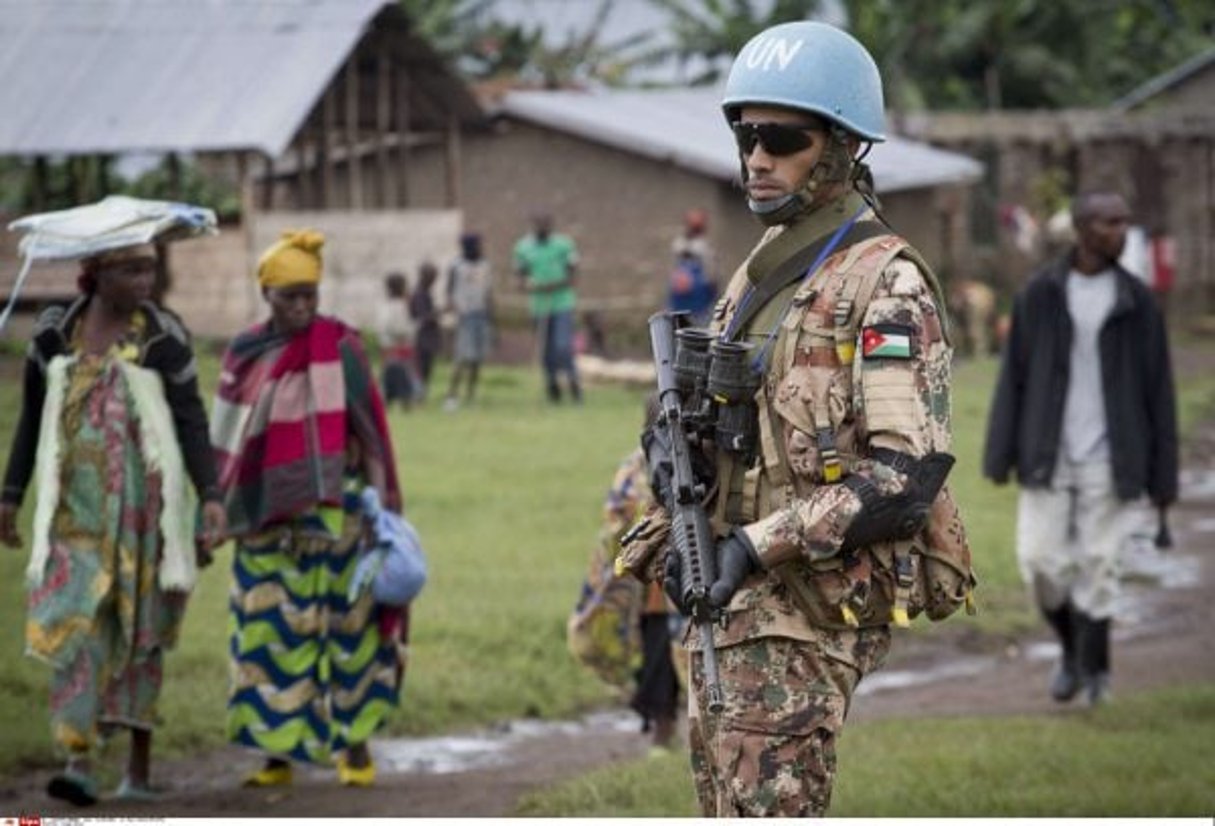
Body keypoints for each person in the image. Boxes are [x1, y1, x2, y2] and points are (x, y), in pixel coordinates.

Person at [633, 22, 967, 816]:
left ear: (842, 147)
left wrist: (749, 548)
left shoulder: (885, 283)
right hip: (731, 604)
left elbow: (902, 477)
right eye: (746, 134)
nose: (756, 158)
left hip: (805, 608)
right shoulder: (757, 272)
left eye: (780, 137)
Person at [0, 200, 224, 806]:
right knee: (75, 628)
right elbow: (30, 422)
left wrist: (211, 498)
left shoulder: (162, 338)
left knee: (140, 634)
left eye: (149, 270)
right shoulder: (53, 336)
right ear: (95, 272)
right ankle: (77, 758)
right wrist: (10, 495)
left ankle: (138, 767)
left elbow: (190, 421)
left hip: (147, 519)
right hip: (74, 516)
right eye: (130, 271)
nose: (143, 283)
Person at [210, 230, 406, 788]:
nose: (301, 307)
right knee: (267, 636)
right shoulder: (245, 352)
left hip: (338, 518)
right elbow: (228, 439)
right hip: (266, 526)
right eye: (288, 297)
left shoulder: (341, 346)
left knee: (352, 635)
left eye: (309, 296)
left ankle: (356, 749)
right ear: (266, 295)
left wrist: (379, 513)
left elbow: (369, 432)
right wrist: (217, 509)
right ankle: (276, 757)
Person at [983, 191, 1178, 707]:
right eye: (1111, 222)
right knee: (1040, 563)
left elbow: (1159, 392)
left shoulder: (1137, 302)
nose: (1121, 231)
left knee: (1099, 564)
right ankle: (1074, 651)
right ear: (1083, 228)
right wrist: (999, 452)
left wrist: (1163, 480)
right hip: (1047, 451)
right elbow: (1014, 377)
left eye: (1125, 222)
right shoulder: (1040, 293)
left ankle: (1096, 674)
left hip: (1113, 457)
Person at [513, 212, 582, 403]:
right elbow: (519, 278)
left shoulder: (564, 245)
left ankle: (574, 385)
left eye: (546, 225)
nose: (542, 228)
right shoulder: (523, 248)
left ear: (551, 226)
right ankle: (553, 390)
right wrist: (530, 285)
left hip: (562, 303)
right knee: (546, 350)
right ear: (533, 225)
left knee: (562, 346)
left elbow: (573, 275)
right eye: (539, 225)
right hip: (539, 306)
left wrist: (557, 283)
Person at [444, 233, 494, 410]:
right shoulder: (456, 266)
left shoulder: (485, 265)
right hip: (464, 316)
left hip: (481, 315)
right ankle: (451, 396)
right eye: (478, 245)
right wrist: (454, 313)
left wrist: (491, 319)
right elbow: (449, 292)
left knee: (477, 360)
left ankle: (470, 396)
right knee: (462, 358)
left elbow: (488, 293)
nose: (481, 248)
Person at [377, 272, 419, 409]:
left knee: (387, 376)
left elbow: (382, 326)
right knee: (403, 377)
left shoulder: (385, 305)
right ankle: (405, 402)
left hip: (386, 347)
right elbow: (401, 329)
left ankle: (387, 401)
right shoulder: (400, 306)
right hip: (399, 347)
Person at [668, 208, 717, 325]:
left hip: (696, 300)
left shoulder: (680, 245)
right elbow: (712, 277)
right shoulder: (700, 247)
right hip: (691, 300)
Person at [410, 261, 442, 401]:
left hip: (427, 335)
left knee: (427, 367)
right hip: (422, 336)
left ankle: (422, 394)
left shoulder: (425, 292)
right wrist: (439, 312)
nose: (434, 281)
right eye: (432, 278)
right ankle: (418, 395)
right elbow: (423, 317)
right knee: (422, 367)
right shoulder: (419, 294)